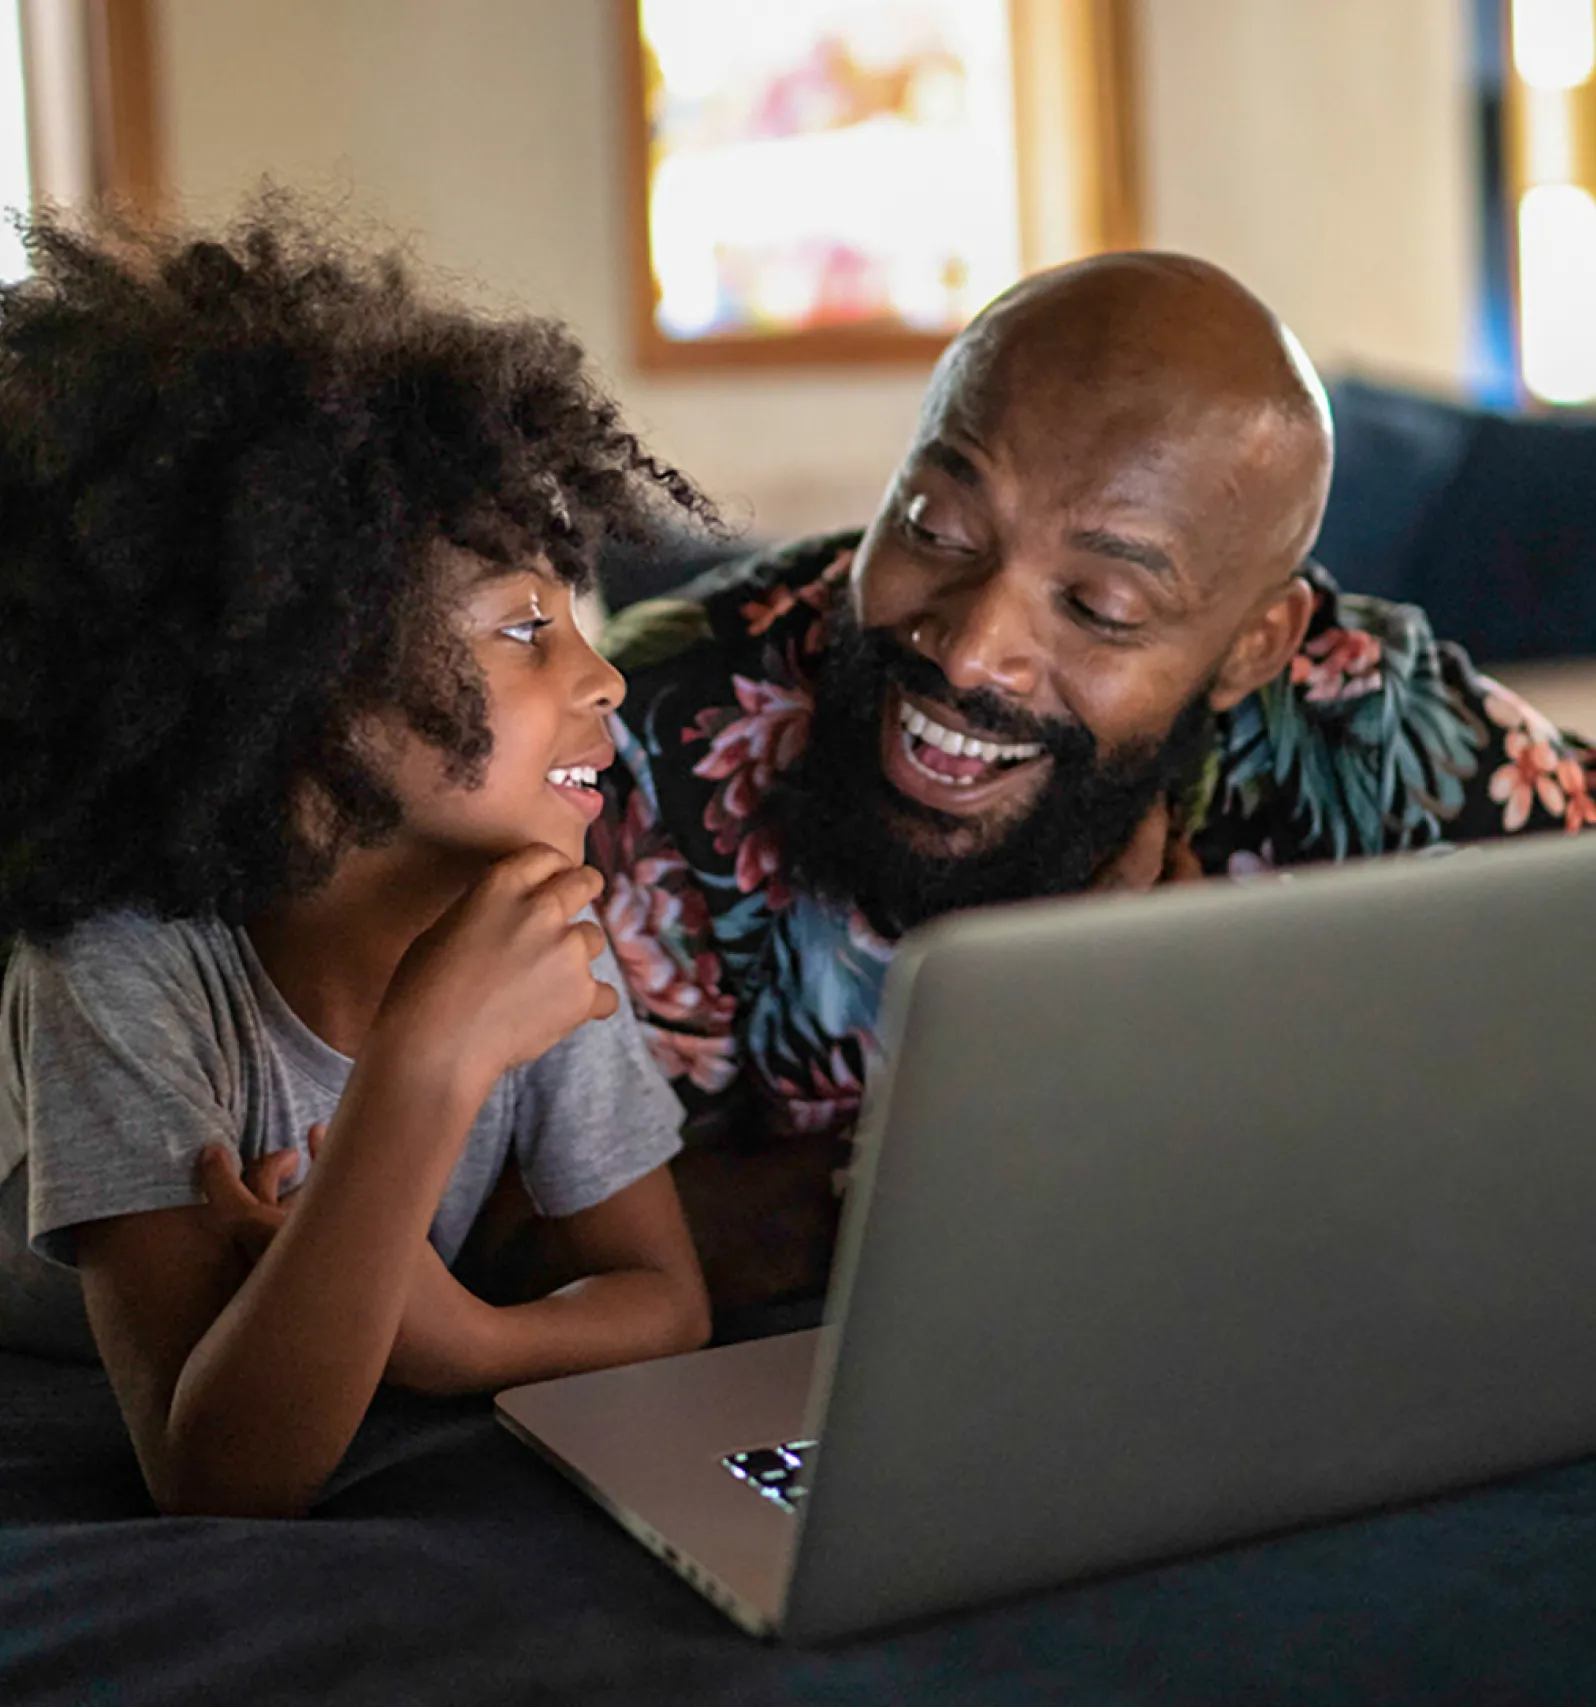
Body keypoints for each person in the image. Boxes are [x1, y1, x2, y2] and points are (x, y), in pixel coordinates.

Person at [594, 252, 1596, 1317]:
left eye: (1100, 606)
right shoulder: (655, 725)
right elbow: (523, 1235)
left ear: (1255, 646)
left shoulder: (1368, 726)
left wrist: (1264, 1067)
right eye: (936, 526)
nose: (972, 650)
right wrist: (1007, 1135)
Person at [0, 210, 711, 1517]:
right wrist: (426, 1062)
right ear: (303, 686)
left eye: (577, 619)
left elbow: (666, 1300)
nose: (602, 677)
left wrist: (468, 1343)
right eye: (524, 628)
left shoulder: (532, 916)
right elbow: (219, 1470)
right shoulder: (116, 967)